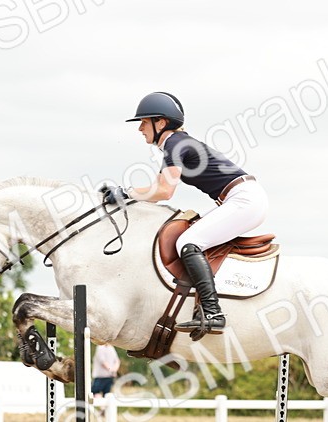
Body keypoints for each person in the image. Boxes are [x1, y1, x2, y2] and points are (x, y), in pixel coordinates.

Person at [102, 91, 269, 339]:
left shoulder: (175, 143)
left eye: (144, 122)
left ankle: (213, 313)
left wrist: (125, 193)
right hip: (241, 198)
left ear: (161, 122)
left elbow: (164, 191)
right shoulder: (178, 143)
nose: (139, 128)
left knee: (187, 242)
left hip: (245, 199)